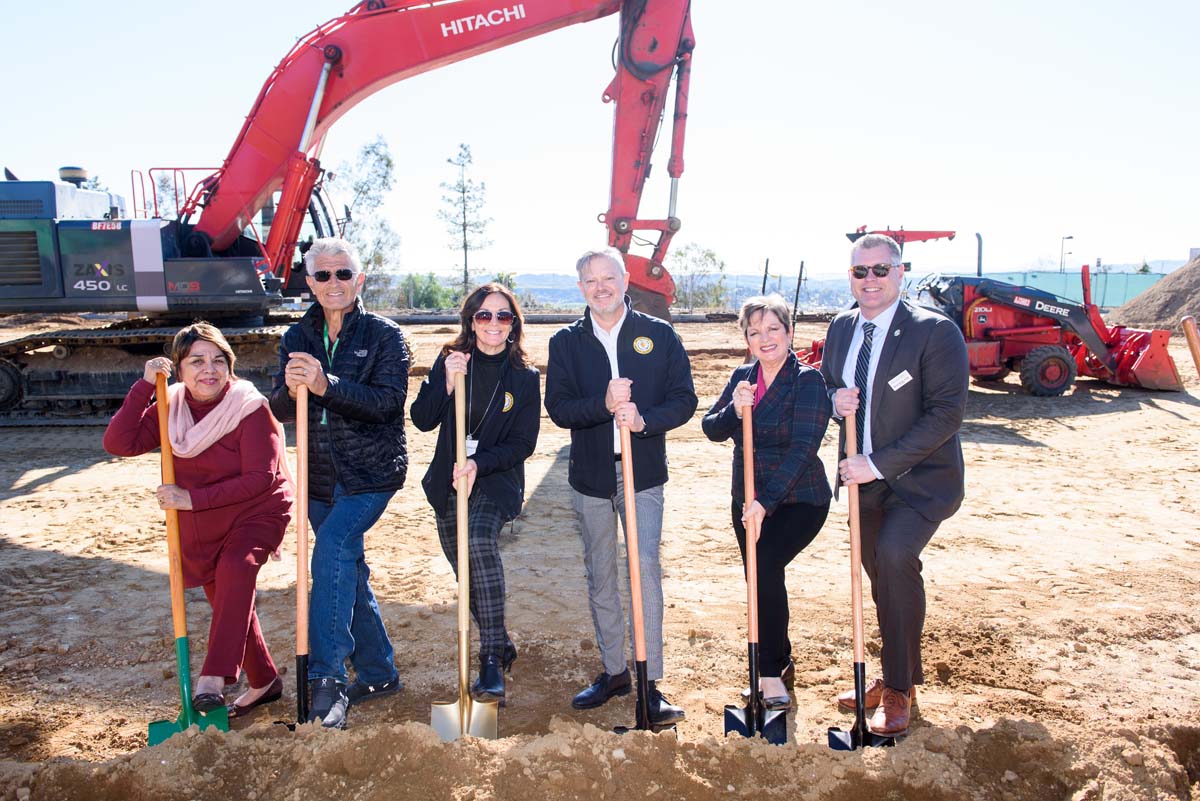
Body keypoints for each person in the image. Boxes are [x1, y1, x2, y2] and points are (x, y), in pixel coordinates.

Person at [103, 323, 292, 719]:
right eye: (197, 361)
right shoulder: (170, 406)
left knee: (236, 570)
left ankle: (215, 677)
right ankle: (265, 682)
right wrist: (143, 387)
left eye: (218, 360)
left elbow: (260, 478)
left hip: (257, 509)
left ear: (230, 365)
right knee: (227, 599)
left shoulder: (249, 407)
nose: (209, 370)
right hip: (202, 519)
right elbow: (119, 443)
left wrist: (191, 498)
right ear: (179, 368)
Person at [821, 233, 969, 736]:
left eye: (880, 270)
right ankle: (893, 674)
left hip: (921, 480)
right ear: (850, 276)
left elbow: (946, 414)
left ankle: (899, 691)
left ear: (900, 273)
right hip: (864, 483)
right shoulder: (842, 327)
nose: (870, 280)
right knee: (883, 579)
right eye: (860, 271)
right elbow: (828, 383)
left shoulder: (935, 332)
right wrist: (833, 399)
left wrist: (877, 463)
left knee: (895, 556)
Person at [544, 247, 698, 726]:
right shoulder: (566, 343)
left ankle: (650, 682)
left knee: (645, 569)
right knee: (601, 573)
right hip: (590, 476)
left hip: (643, 474)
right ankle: (615, 672)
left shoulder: (659, 335)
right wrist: (602, 403)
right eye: (590, 281)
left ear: (624, 281)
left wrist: (644, 421)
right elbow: (559, 409)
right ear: (581, 289)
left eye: (608, 278)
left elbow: (685, 400)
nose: (601, 287)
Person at [269, 238, 409, 729]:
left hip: (370, 474)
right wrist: (289, 391)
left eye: (343, 274)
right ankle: (377, 672)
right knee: (348, 569)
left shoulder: (385, 334)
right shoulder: (295, 337)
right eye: (323, 276)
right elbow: (279, 411)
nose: (334, 284)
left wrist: (327, 386)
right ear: (308, 283)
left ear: (359, 279)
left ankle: (326, 680)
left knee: (331, 549)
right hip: (319, 477)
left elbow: (388, 403)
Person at [410, 283, 540, 704]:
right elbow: (422, 419)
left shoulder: (523, 377)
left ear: (514, 324)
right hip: (448, 480)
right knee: (467, 574)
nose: (494, 324)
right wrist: (446, 383)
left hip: (495, 480)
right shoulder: (453, 361)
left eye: (504, 316)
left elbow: (523, 443)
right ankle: (500, 641)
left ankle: (489, 664)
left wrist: (478, 464)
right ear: (470, 320)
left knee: (479, 544)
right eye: (485, 315)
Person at [701, 294, 831, 710]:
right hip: (747, 500)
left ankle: (769, 674)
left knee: (765, 566)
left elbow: (803, 450)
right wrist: (735, 412)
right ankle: (782, 660)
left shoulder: (808, 381)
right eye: (755, 332)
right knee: (760, 580)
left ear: (790, 332)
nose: (765, 338)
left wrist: (766, 502)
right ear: (746, 339)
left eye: (773, 329)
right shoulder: (743, 377)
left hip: (798, 498)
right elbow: (711, 429)